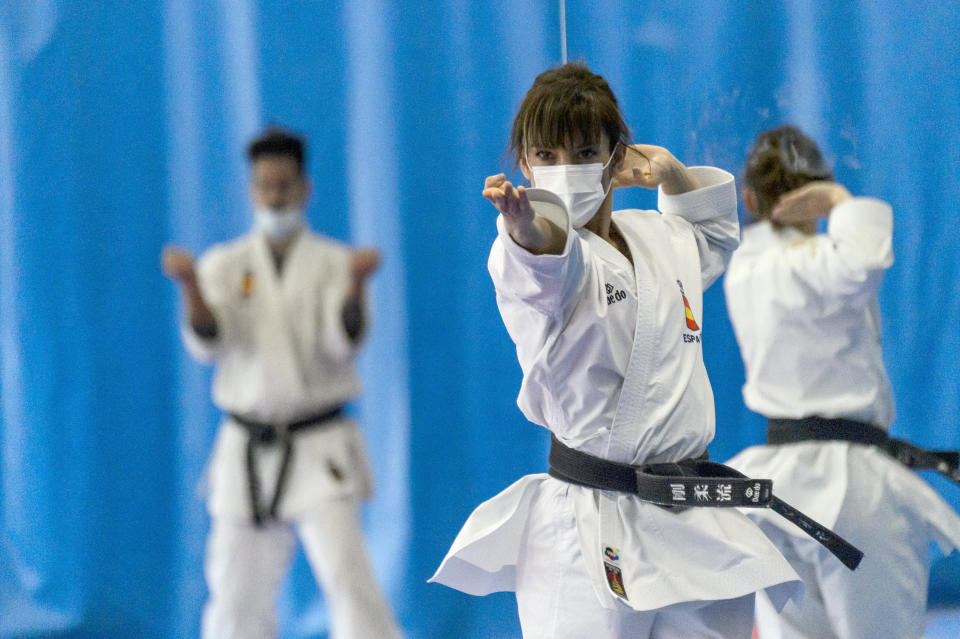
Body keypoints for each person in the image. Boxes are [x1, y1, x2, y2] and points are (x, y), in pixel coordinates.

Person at [430, 62, 803, 639]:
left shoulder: (660, 236)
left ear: (614, 157)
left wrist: (671, 174)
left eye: (582, 152)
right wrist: (527, 226)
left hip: (690, 518)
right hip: (588, 524)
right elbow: (544, 254)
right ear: (524, 164)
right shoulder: (545, 256)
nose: (564, 170)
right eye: (544, 156)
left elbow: (713, 235)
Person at [161, 127, 402, 639]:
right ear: (251, 189)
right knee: (234, 594)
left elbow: (343, 342)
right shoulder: (224, 264)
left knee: (348, 579)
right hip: (246, 446)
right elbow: (210, 341)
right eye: (265, 186)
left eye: (285, 185)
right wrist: (189, 288)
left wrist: (356, 285)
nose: (275, 196)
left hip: (318, 444)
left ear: (304, 189)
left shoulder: (335, 262)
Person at [724, 124, 960, 639]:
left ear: (748, 198)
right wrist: (840, 201)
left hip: (777, 490)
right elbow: (863, 260)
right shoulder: (812, 263)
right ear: (815, 191)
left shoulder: (743, 267)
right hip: (851, 493)